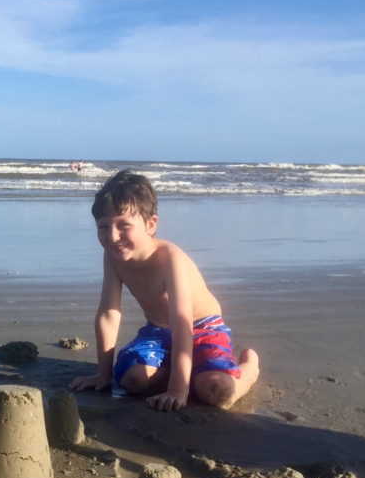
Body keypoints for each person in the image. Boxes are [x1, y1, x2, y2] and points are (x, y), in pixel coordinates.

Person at [69, 170, 259, 411]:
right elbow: (109, 313)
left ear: (150, 225)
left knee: (215, 390)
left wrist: (178, 390)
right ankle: (178, 368)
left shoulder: (170, 258)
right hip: (158, 331)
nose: (113, 236)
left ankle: (249, 369)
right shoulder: (113, 257)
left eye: (123, 225)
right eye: (103, 227)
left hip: (202, 327)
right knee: (132, 380)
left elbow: (182, 322)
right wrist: (103, 375)